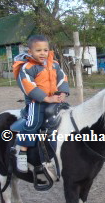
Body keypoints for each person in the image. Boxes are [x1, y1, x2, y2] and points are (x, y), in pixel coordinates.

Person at [12, 35, 69, 172]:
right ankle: (23, 151)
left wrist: (63, 93)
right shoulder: (27, 67)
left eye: (45, 50)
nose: (43, 53)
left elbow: (62, 78)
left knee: (68, 118)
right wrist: (46, 98)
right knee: (33, 123)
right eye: (38, 50)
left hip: (55, 99)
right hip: (36, 102)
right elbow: (29, 86)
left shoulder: (54, 64)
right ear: (30, 52)